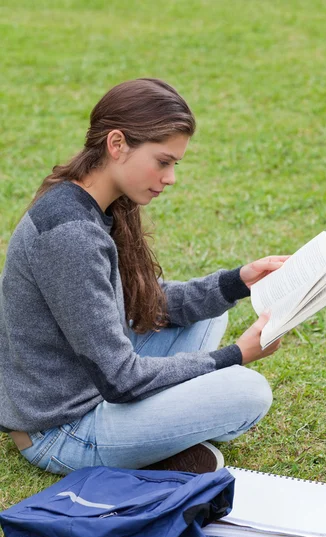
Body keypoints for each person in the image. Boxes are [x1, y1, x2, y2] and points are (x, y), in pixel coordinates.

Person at [0, 78, 288, 476]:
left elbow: (144, 302)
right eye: (163, 161)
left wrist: (238, 280)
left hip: (92, 381)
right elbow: (120, 380)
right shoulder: (70, 235)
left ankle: (162, 434)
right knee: (250, 391)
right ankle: (161, 439)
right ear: (117, 144)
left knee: (209, 311)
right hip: (62, 429)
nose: (170, 178)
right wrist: (233, 356)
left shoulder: (89, 199)